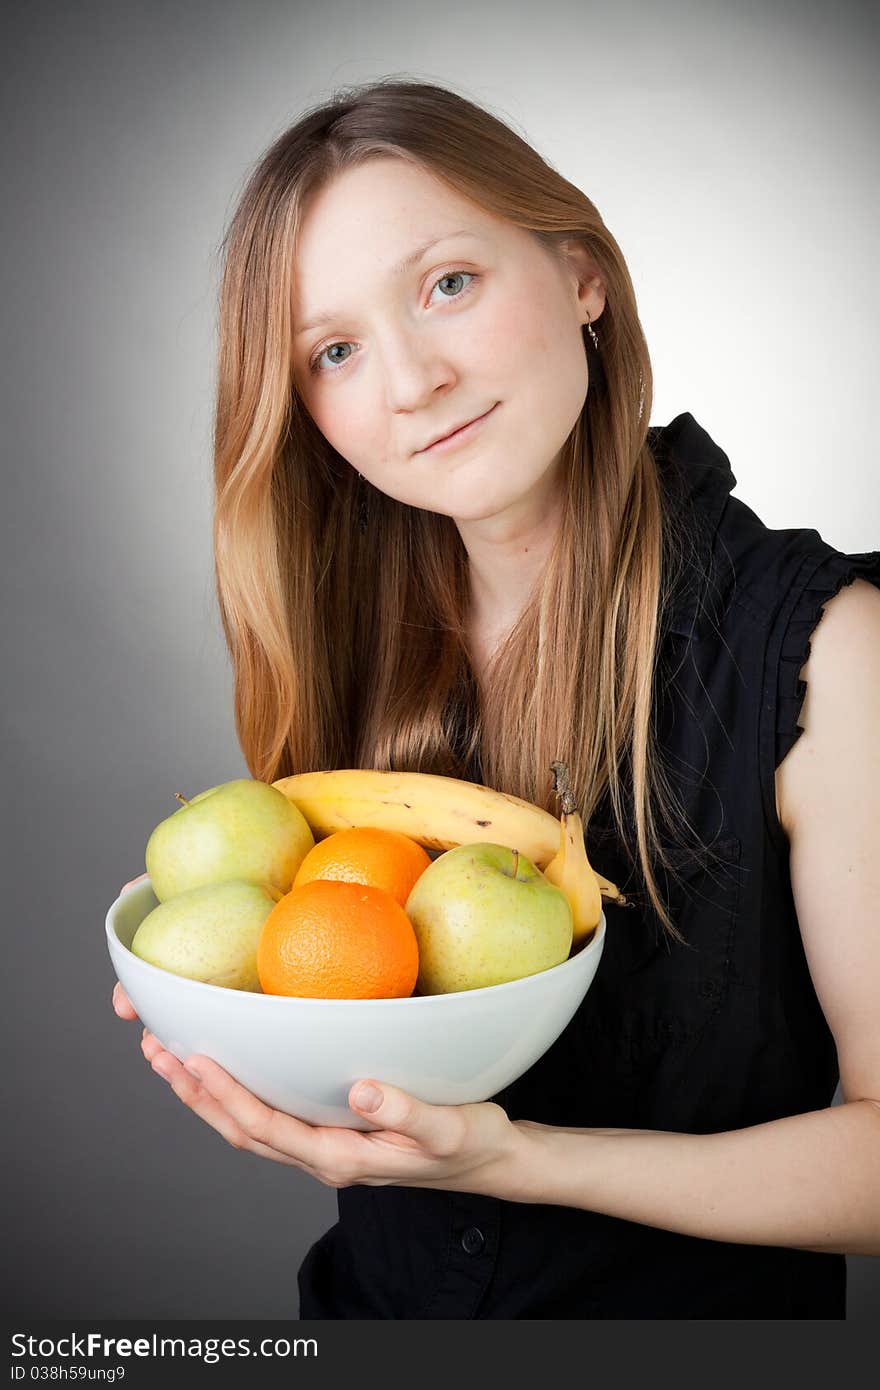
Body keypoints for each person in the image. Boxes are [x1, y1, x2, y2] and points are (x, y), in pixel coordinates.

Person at [112, 79, 880, 1319]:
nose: (409, 380)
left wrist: (524, 1164)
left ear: (580, 273)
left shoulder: (821, 651)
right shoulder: (350, 647)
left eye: (446, 283)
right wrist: (236, 1015)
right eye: (335, 351)